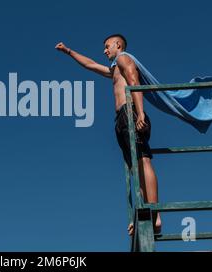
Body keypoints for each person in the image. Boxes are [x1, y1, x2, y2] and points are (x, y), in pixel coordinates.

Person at [55, 34, 161, 236]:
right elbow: (91, 65)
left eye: (107, 46)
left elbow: (134, 81)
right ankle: (143, 213)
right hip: (121, 118)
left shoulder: (124, 58)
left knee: (143, 160)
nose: (104, 51)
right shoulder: (114, 69)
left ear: (118, 45)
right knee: (134, 168)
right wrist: (69, 52)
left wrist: (139, 113)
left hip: (130, 112)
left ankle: (155, 214)